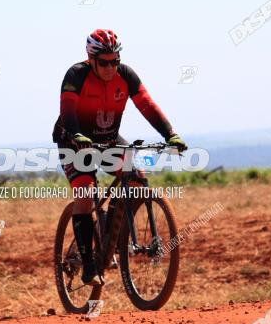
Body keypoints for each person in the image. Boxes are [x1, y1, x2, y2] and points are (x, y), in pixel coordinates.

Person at [51, 29, 187, 286]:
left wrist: (171, 134)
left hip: (109, 140)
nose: (111, 68)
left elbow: (147, 105)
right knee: (85, 193)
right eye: (104, 62)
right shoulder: (76, 75)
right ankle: (89, 263)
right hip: (73, 140)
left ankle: (110, 237)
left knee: (136, 179)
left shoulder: (126, 76)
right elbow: (67, 111)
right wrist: (77, 135)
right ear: (90, 58)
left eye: (116, 61)